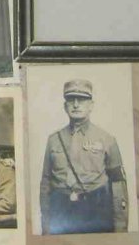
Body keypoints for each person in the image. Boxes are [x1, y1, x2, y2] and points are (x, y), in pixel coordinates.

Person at [40, 79, 129, 235]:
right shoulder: (53, 140)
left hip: (96, 211)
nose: (76, 105)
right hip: (61, 211)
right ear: (65, 106)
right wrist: (46, 224)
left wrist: (120, 226)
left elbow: (118, 185)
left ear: (91, 106)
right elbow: (46, 183)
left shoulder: (106, 139)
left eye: (81, 100)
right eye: (71, 100)